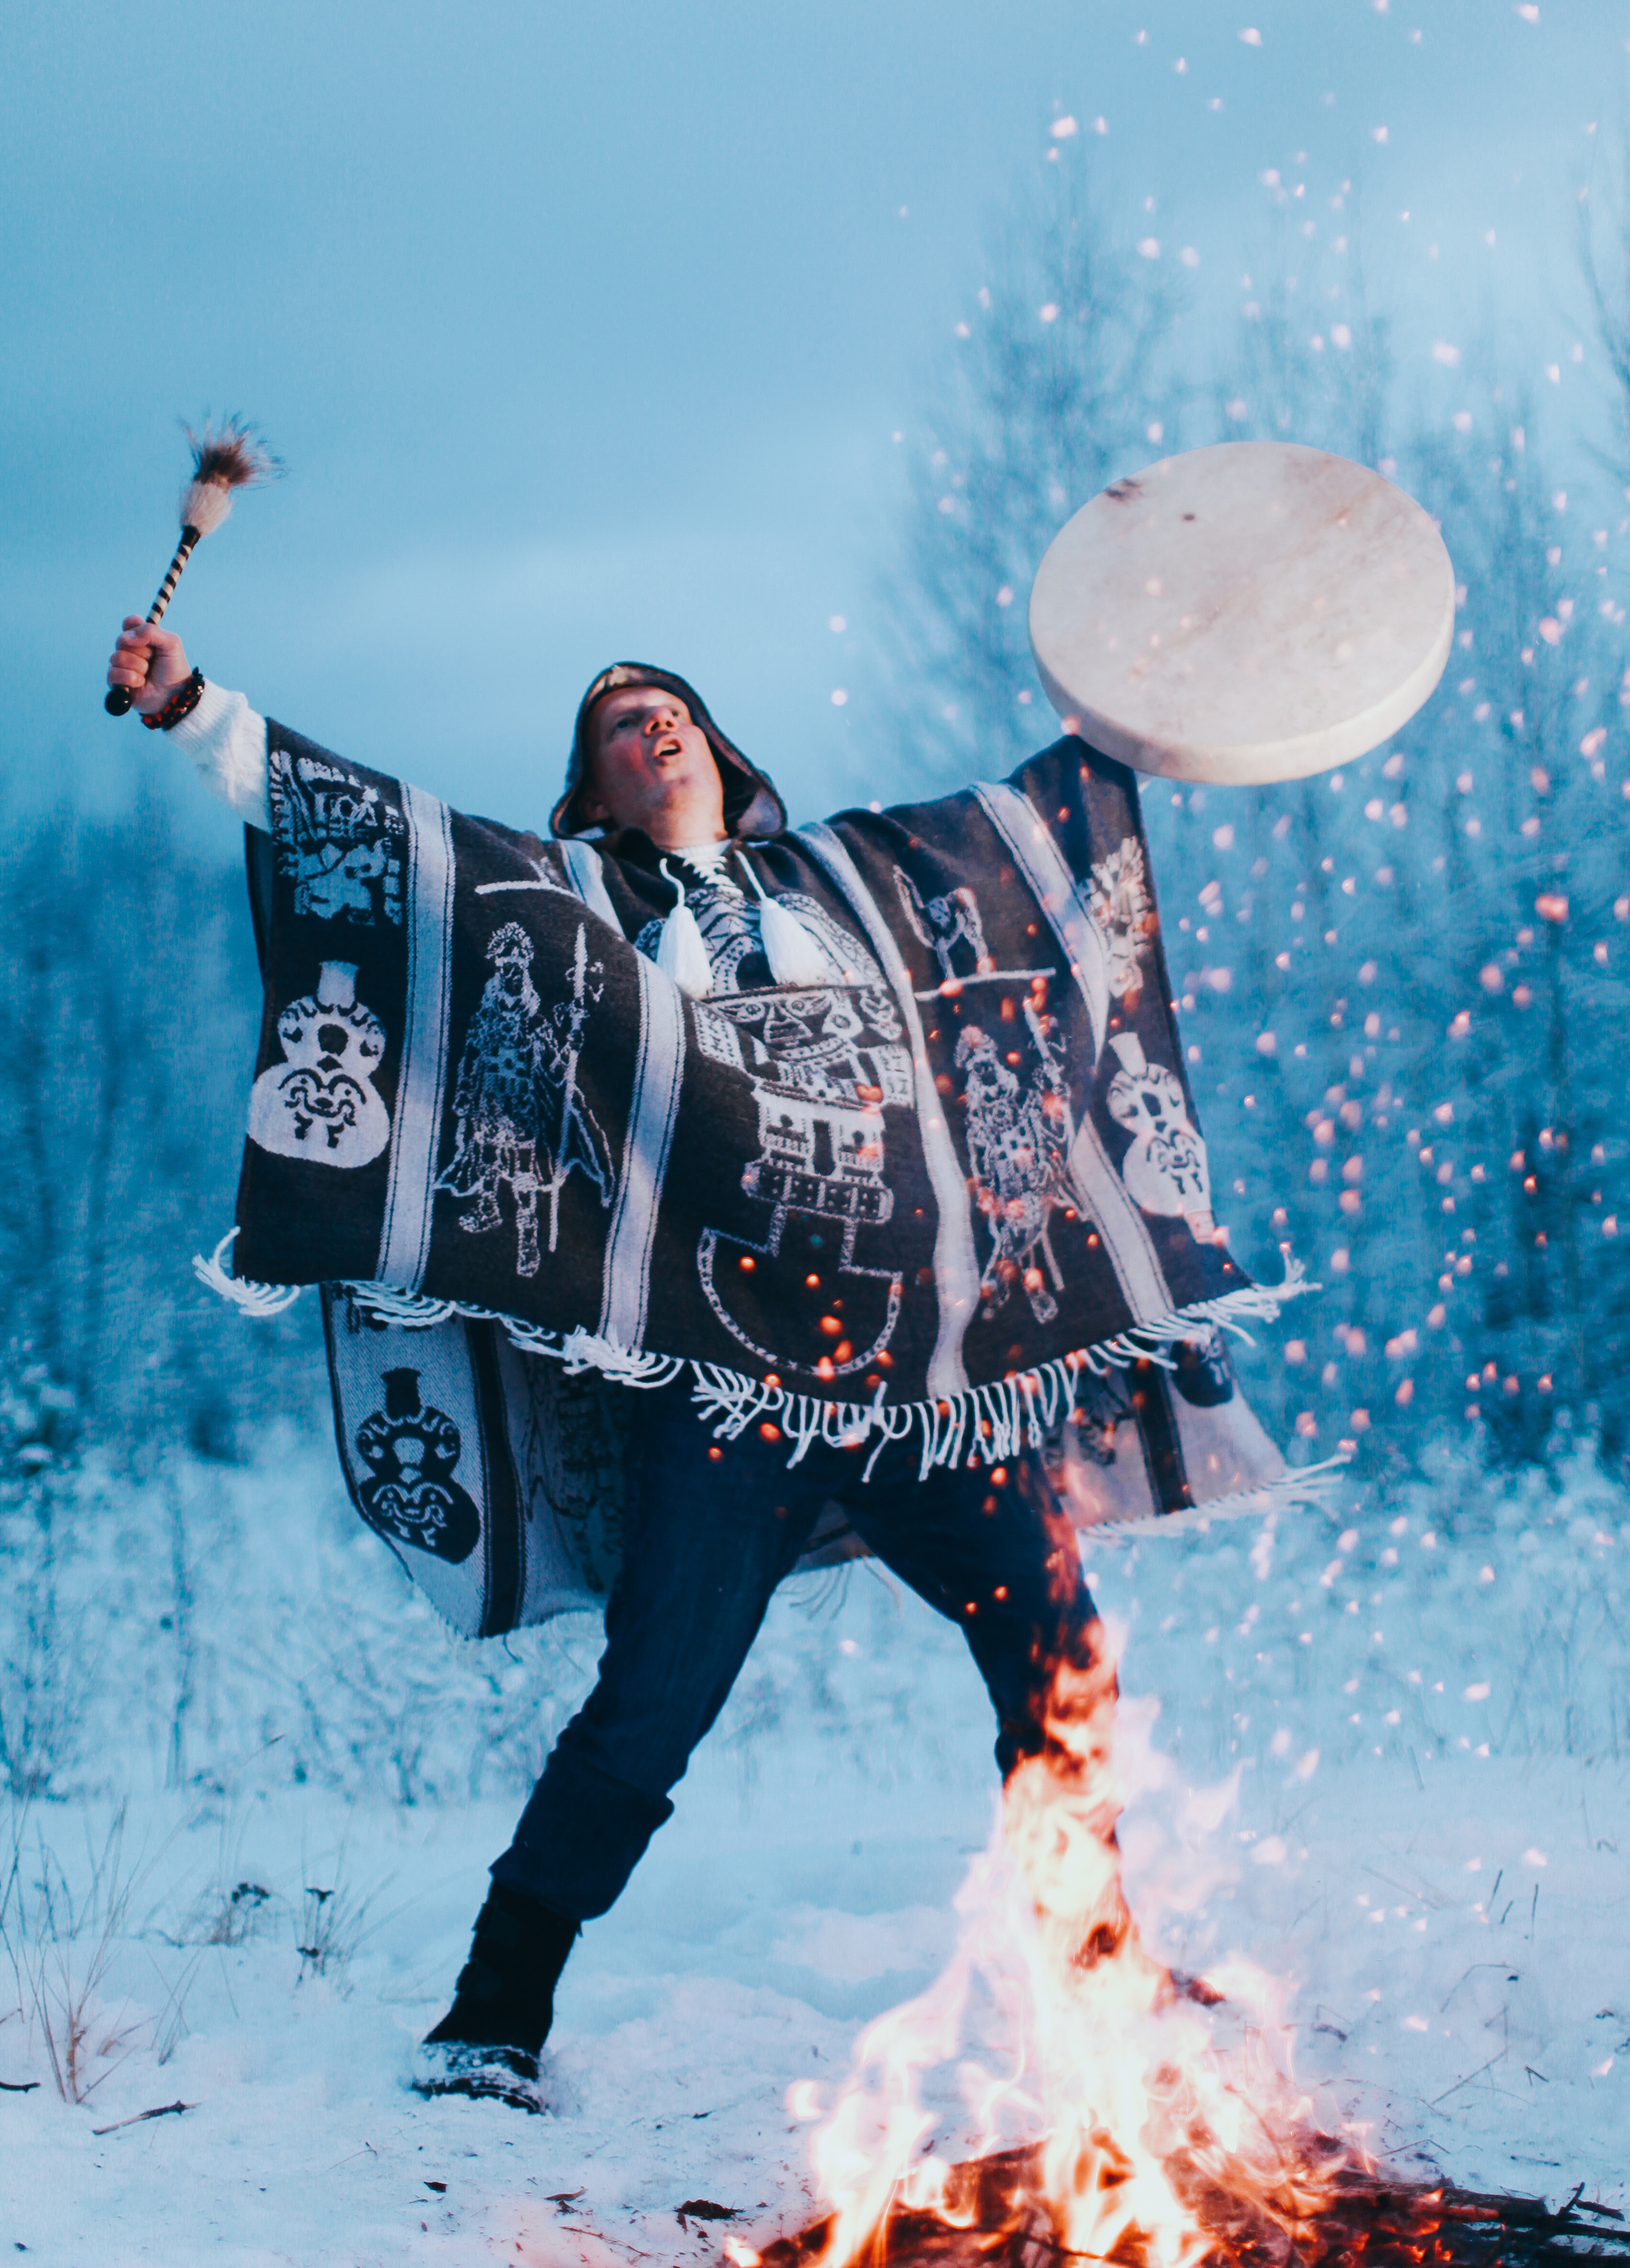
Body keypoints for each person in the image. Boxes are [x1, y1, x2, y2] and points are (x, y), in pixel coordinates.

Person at [107, 611, 1288, 2108]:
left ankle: (1096, 1962)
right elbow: (396, 845)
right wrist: (199, 710)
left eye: (668, 708)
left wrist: (1147, 700)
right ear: (591, 794)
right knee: (648, 1709)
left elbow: (1024, 833)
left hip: (927, 1381)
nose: (649, 727)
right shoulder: (578, 900)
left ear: (721, 751)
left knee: (1057, 1657)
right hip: (729, 1389)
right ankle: (495, 2009)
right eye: (617, 725)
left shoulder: (855, 879)